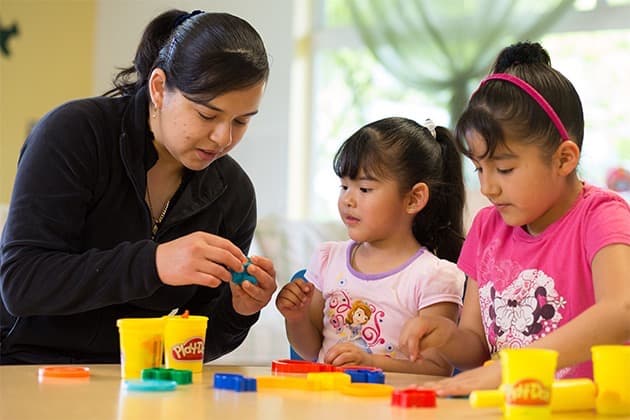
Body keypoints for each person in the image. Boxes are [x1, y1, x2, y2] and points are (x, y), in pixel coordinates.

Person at [0, 9, 278, 364]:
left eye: (241, 121)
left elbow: (194, 341)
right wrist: (155, 263)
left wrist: (239, 310)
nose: (223, 138)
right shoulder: (73, 135)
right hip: (22, 365)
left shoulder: (233, 193)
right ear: (159, 88)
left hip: (137, 378)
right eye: (207, 115)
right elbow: (23, 283)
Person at [399, 41, 630, 395]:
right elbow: (477, 346)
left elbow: (621, 312)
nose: (488, 187)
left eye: (504, 168)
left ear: (564, 159)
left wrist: (512, 369)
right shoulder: (488, 226)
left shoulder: (602, 217)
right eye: (479, 168)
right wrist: (447, 337)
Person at [276, 117, 466, 375]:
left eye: (364, 189)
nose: (348, 200)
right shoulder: (327, 258)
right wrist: (295, 318)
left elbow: (436, 370)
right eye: (344, 186)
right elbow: (311, 352)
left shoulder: (434, 277)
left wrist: (370, 364)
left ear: (413, 199)